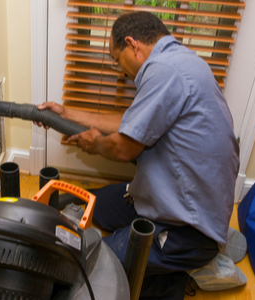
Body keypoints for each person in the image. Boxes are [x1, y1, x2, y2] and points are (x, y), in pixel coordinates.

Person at [35, 11, 239, 299]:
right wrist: (66, 113)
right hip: (162, 194)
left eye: (118, 60)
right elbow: (130, 123)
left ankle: (173, 277)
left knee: (94, 262)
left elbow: (122, 147)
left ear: (132, 45)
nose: (120, 71)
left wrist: (94, 143)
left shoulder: (164, 71)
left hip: (189, 228)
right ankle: (163, 269)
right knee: (92, 204)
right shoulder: (180, 62)